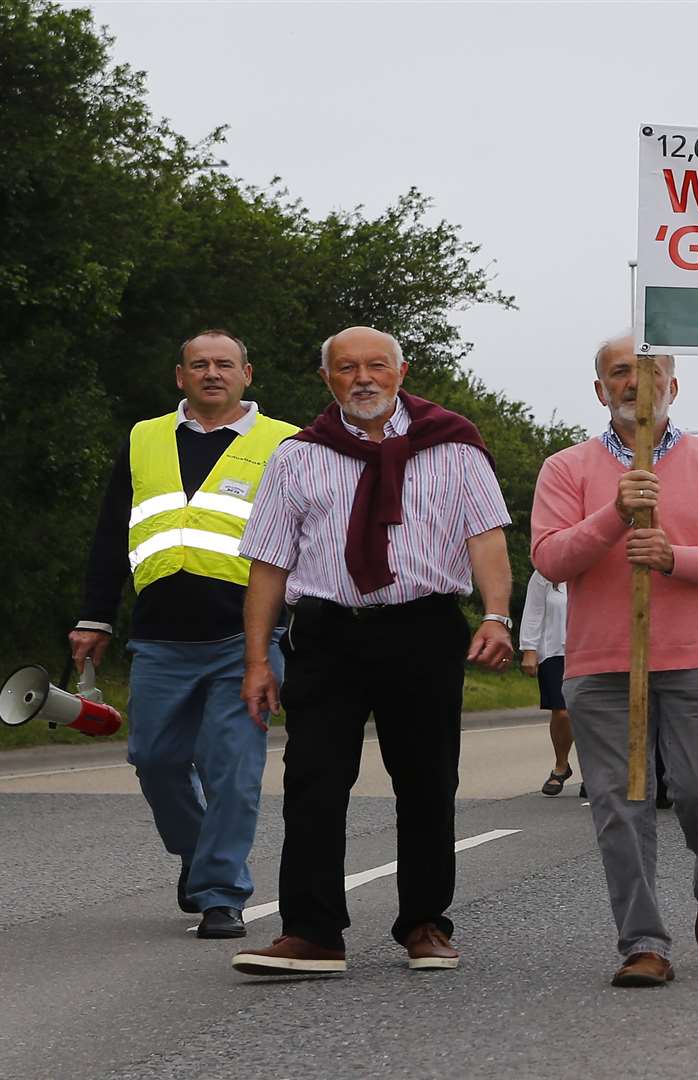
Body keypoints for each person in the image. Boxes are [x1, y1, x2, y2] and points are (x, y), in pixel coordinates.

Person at [230, 326, 513, 977]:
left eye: (376, 366)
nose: (363, 377)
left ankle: (424, 923)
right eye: (347, 368)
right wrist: (255, 662)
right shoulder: (297, 456)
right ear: (327, 378)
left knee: (427, 780)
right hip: (328, 635)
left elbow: (487, 535)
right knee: (313, 782)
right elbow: (268, 566)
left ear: (400, 370)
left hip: (423, 628)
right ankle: (312, 932)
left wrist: (496, 615)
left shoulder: (454, 445)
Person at [530, 335, 698, 989]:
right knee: (620, 804)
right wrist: (613, 514)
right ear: (600, 389)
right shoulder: (567, 468)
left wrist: (673, 557)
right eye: (620, 373)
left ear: (674, 387)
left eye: (651, 371)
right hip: (605, 663)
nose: (636, 382)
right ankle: (643, 942)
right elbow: (550, 559)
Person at [70, 329, 299, 941]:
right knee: (154, 759)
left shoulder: (287, 444)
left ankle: (221, 894)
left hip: (245, 641)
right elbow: (111, 531)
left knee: (232, 770)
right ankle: (200, 859)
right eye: (199, 365)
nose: (212, 374)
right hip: (160, 639)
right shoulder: (144, 438)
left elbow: (310, 537)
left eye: (225, 364)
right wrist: (95, 617)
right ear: (181, 377)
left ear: (248, 373)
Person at [520, 568, 582, 798]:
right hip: (554, 651)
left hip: (589, 649)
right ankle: (561, 766)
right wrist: (529, 649)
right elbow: (533, 612)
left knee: (592, 714)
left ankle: (593, 771)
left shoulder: (595, 567)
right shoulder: (545, 573)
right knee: (562, 712)